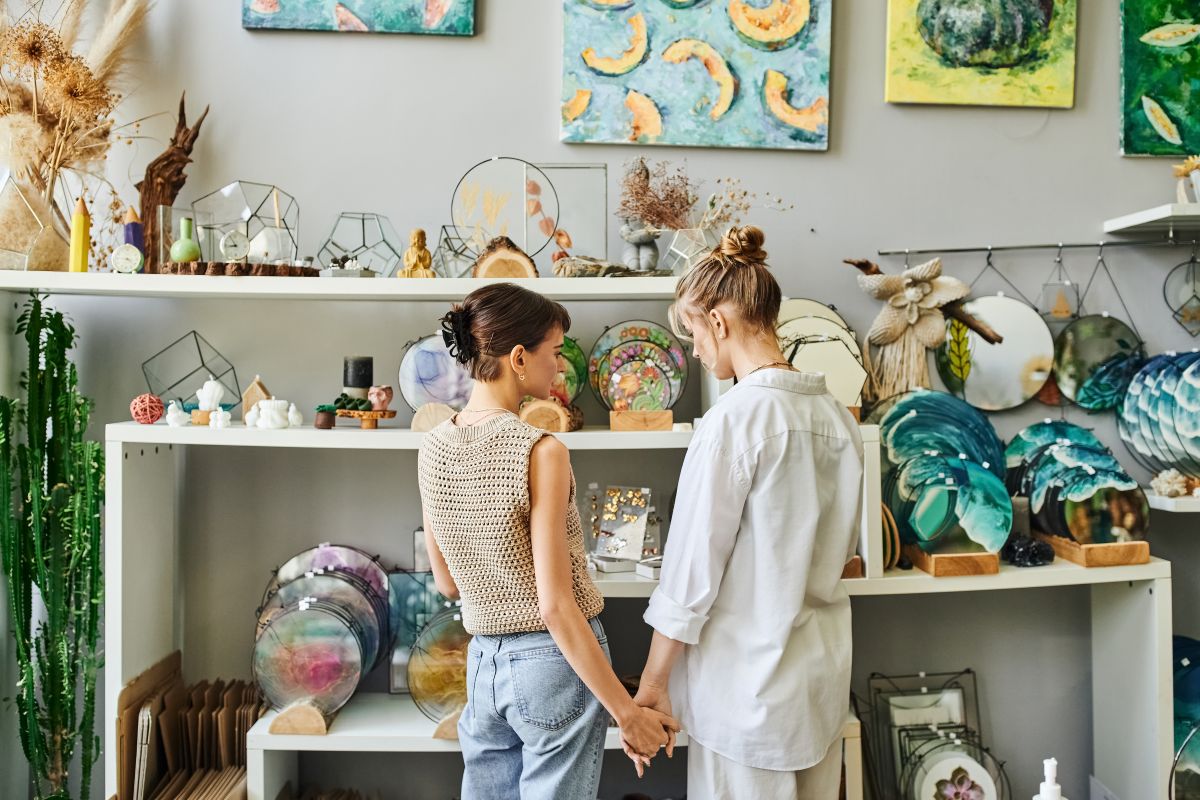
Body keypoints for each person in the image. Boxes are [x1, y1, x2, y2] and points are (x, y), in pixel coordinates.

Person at [417, 283, 679, 800]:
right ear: (518, 357)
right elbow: (557, 607)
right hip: (552, 666)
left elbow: (448, 583)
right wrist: (627, 715)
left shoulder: (432, 447)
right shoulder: (541, 450)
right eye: (554, 354)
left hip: (483, 668)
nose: (559, 370)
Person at [633, 226, 864, 799]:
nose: (693, 349)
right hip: (817, 688)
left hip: (744, 699)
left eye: (691, 331)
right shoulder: (838, 418)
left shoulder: (733, 422)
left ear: (719, 321)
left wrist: (654, 683)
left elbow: (690, 577)